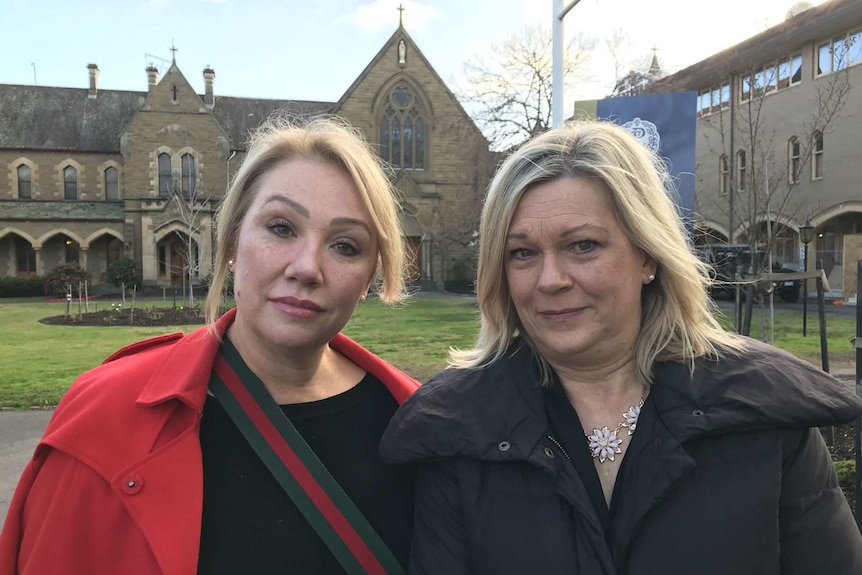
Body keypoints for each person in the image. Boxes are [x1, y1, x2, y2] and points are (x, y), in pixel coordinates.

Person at [379, 120, 862, 574]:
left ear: (648, 254)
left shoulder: (765, 415)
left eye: (583, 245)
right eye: (522, 253)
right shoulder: (457, 431)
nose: (551, 280)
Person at [1, 116, 419, 575]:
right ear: (232, 242)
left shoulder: (417, 425)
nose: (306, 268)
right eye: (281, 227)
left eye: (345, 246)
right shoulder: (102, 416)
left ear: (369, 277)